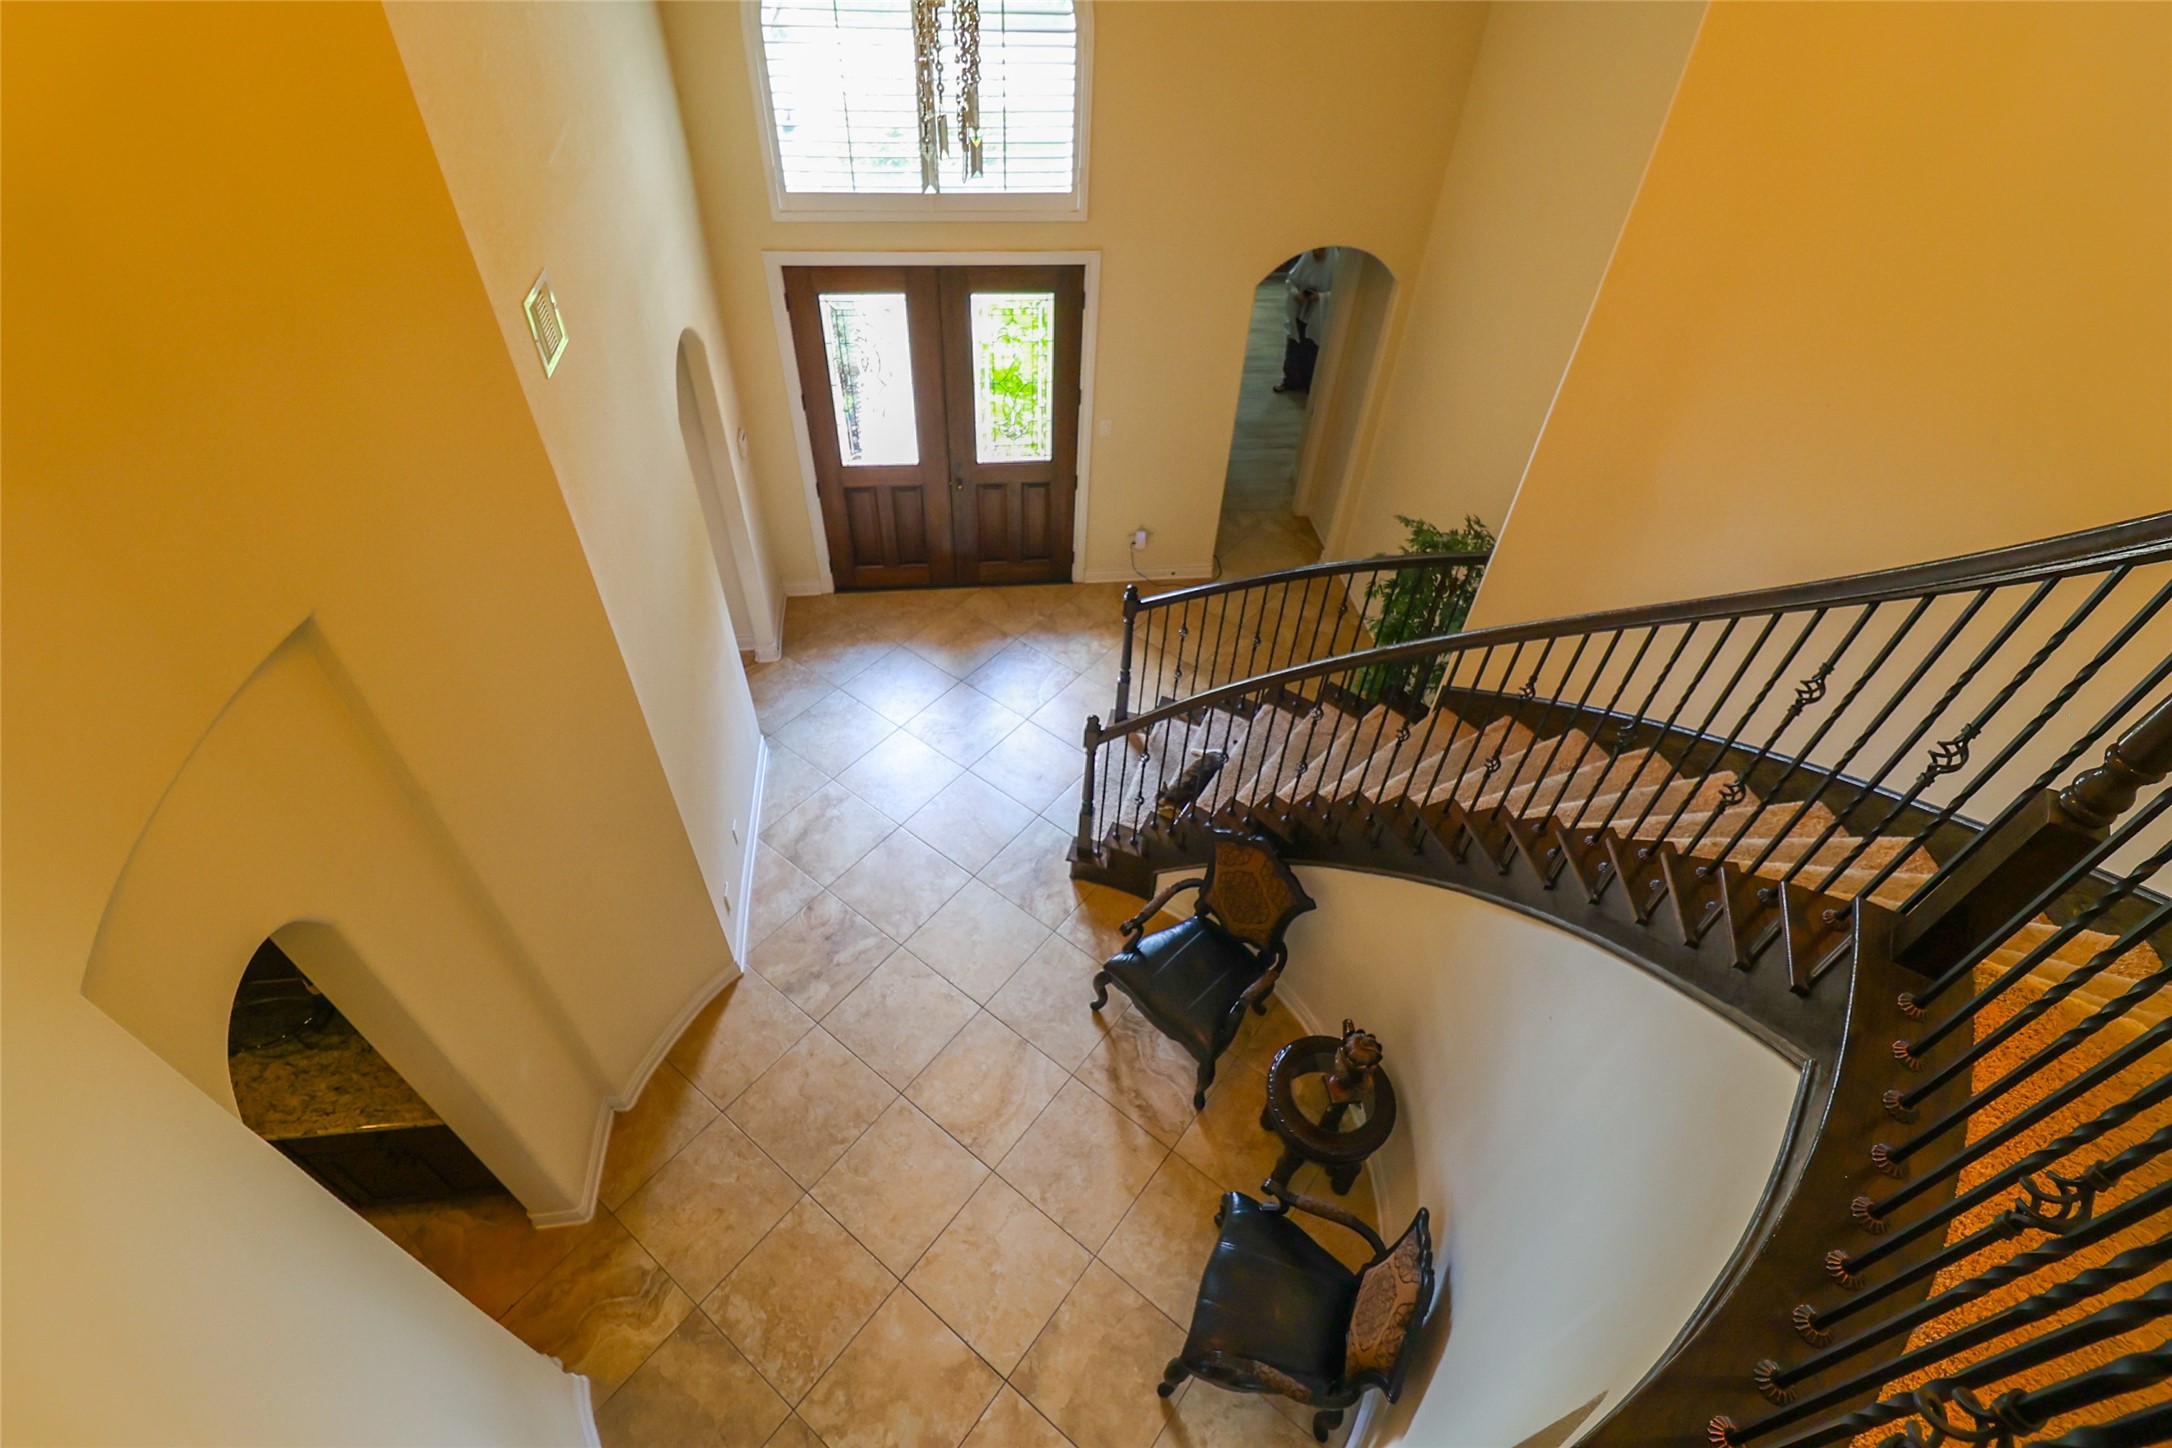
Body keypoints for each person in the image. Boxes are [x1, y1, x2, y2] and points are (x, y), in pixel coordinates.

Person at [1274, 246, 1338, 394]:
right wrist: (1297, 293)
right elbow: (1291, 281)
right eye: (1315, 250)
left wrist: (1320, 296)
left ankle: (1310, 384)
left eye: (1321, 250)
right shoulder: (1306, 261)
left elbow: (1339, 291)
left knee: (1312, 350)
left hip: (1319, 315)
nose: (1317, 253)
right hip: (1301, 311)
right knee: (1294, 346)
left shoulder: (1335, 265)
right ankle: (1291, 381)